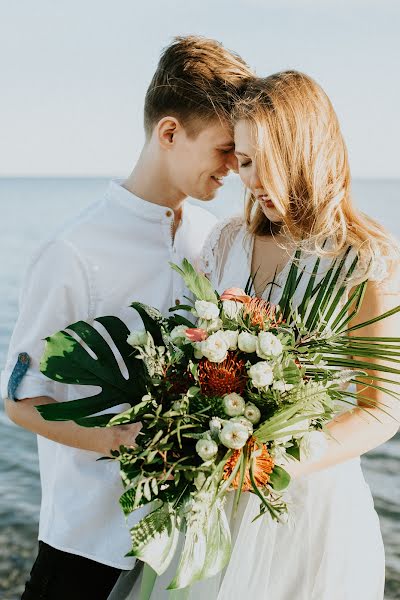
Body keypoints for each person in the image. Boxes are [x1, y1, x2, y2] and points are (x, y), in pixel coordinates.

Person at [1, 36, 253, 600]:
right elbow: (19, 401)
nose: (235, 167)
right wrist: (124, 440)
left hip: (181, 540)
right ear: (169, 133)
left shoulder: (211, 238)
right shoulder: (73, 251)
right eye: (223, 148)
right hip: (86, 539)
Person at [196, 71, 400, 599]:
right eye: (243, 161)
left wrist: (270, 463)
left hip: (308, 511)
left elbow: (382, 411)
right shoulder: (224, 243)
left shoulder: (363, 260)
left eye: (269, 158)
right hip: (218, 503)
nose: (255, 178)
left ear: (308, 149)